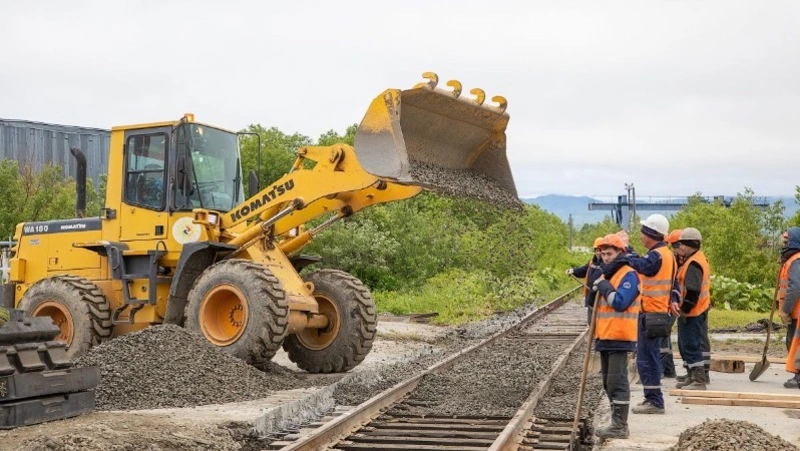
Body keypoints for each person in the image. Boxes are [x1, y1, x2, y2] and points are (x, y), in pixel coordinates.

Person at [592, 234, 641, 440]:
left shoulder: (628, 275)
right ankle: (614, 422)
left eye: (609, 253)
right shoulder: (607, 275)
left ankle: (620, 426)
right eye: (602, 254)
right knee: (607, 383)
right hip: (605, 336)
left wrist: (604, 287)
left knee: (617, 382)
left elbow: (620, 302)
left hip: (620, 337)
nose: (605, 257)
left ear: (619, 253)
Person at [628, 214, 675, 414]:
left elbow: (641, 266)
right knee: (649, 356)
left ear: (651, 234)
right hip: (656, 313)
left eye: (643, 232)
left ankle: (654, 401)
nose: (640, 236)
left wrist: (626, 251)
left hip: (652, 314)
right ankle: (653, 398)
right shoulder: (666, 254)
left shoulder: (657, 255)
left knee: (647, 358)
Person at [670, 228, 711, 390]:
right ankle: (692, 375)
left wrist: (685, 309)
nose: (680, 247)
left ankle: (698, 379)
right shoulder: (695, 259)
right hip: (696, 309)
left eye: (681, 244)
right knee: (686, 343)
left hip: (693, 311)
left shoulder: (694, 263)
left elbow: (693, 290)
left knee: (691, 344)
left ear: (688, 244)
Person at [659, 229, 683, 380]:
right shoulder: (678, 259)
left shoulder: (674, 260)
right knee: (665, 336)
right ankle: (669, 370)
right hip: (675, 302)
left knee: (662, 336)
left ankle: (660, 370)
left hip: (672, 303)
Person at [780, 228, 800, 389]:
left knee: (796, 344)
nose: (784, 245)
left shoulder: (796, 261)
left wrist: (786, 309)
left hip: (797, 312)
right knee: (793, 343)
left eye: (786, 242)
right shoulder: (793, 260)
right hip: (795, 312)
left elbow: (794, 288)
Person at [567, 237, 604, 324]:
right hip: (590, 296)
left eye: (600, 250)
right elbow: (583, 270)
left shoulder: (607, 263)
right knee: (590, 322)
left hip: (600, 298)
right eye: (596, 250)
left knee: (599, 323)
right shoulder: (592, 262)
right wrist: (573, 271)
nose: (598, 252)